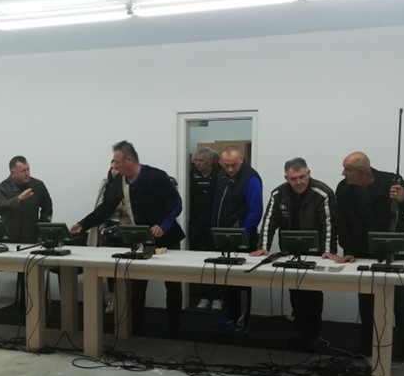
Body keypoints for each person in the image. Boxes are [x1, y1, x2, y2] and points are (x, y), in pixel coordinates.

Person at [71, 140, 184, 333]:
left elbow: (175, 203)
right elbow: (106, 207)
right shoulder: (118, 182)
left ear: (129, 160)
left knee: (173, 284)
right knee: (137, 284)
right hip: (141, 239)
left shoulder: (156, 176)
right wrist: (83, 224)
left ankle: (175, 328)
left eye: (117, 162)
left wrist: (163, 224)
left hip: (167, 237)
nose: (114, 167)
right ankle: (136, 328)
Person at [334, 151, 404, 364]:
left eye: (348, 169)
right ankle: (368, 341)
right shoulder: (344, 188)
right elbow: (342, 221)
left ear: (362, 171)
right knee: (367, 299)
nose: (343, 173)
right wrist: (348, 250)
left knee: (402, 299)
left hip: (396, 248)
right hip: (363, 250)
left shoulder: (392, 181)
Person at [252, 157, 337, 349]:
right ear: (286, 178)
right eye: (293, 179)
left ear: (309, 174)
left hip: (315, 253)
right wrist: (263, 247)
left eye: (302, 177)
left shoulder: (322, 193)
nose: (298, 182)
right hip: (290, 251)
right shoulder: (278, 194)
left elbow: (329, 224)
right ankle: (299, 329)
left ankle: (313, 333)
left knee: (312, 293)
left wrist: (328, 251)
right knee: (295, 290)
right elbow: (269, 222)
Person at [0, 156, 53, 315]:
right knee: (20, 275)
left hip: (32, 238)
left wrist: (42, 230)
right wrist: (18, 199)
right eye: (23, 171)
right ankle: (21, 309)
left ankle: (33, 310)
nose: (27, 173)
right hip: (11, 239)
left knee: (31, 275)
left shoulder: (37, 185)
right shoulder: (2, 187)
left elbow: (47, 207)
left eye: (28, 169)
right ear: (12, 172)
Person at [212, 147, 263, 335]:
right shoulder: (221, 175)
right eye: (226, 165)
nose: (230, 169)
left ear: (242, 159)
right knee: (226, 281)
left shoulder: (251, 178)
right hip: (222, 237)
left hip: (242, 238)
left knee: (240, 282)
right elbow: (216, 204)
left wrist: (242, 236)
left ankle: (241, 323)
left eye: (234, 165)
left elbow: (255, 211)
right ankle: (231, 317)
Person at [85, 160, 132, 314]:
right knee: (110, 266)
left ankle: (124, 300)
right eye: (112, 168)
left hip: (125, 228)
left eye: (117, 168)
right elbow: (99, 207)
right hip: (108, 229)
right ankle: (112, 297)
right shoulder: (106, 183)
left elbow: (137, 209)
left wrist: (123, 208)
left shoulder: (131, 184)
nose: (114, 171)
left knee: (125, 266)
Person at [188, 147, 222, 311]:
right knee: (201, 263)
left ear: (210, 161)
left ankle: (217, 297)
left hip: (214, 225)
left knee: (216, 263)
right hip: (197, 226)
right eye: (196, 160)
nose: (197, 163)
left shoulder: (220, 175)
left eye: (201, 160)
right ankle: (204, 296)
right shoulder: (190, 175)